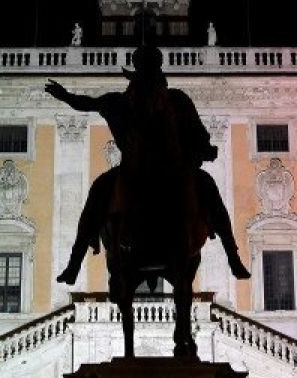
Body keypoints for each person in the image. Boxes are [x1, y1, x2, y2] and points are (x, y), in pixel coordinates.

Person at [47, 46, 250, 284]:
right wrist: (205, 150)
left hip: (141, 170)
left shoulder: (146, 101)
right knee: (208, 190)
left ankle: (74, 264)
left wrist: (65, 96)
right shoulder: (165, 100)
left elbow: (88, 103)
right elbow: (87, 103)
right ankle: (232, 257)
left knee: (98, 195)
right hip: (163, 170)